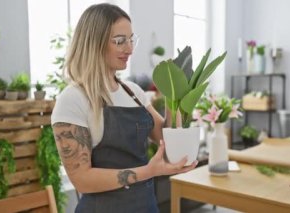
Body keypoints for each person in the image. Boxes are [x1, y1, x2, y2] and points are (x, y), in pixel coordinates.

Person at [51, 3, 197, 213]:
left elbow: (167, 137)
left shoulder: (133, 92)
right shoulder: (73, 99)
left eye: (130, 40)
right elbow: (82, 180)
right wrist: (148, 171)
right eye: (120, 41)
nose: (129, 49)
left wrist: (174, 91)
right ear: (95, 43)